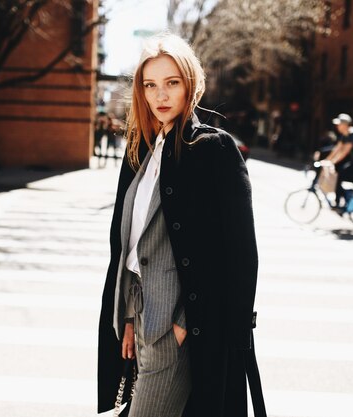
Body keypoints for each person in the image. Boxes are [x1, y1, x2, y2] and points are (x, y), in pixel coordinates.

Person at [97, 33, 266, 417]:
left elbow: (238, 253)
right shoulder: (140, 149)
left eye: (172, 83)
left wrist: (184, 324)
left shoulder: (213, 149)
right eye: (150, 84)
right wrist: (126, 314)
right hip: (138, 318)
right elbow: (127, 245)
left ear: (190, 84)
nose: (161, 95)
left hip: (178, 325)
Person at [324, 113, 353, 208]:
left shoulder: (352, 134)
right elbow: (337, 149)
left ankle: (342, 202)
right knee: (338, 175)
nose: (337, 126)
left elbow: (344, 152)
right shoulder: (345, 134)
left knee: (339, 177)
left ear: (345, 124)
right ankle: (340, 201)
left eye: (339, 124)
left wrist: (332, 162)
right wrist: (326, 160)